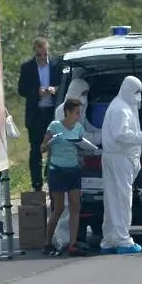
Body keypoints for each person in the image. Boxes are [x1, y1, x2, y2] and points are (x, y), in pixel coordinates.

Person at [99, 76, 142, 255]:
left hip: (117, 158)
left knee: (113, 200)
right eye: (136, 91)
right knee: (122, 200)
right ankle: (123, 239)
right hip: (120, 158)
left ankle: (110, 239)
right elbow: (121, 135)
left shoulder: (123, 105)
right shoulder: (121, 109)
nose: (139, 96)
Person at [51, 78, 101, 252]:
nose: (85, 97)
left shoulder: (80, 109)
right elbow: (79, 136)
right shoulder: (62, 111)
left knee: (73, 205)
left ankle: (70, 240)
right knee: (63, 206)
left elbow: (87, 129)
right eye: (83, 94)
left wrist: (102, 133)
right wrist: (99, 141)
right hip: (62, 165)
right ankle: (60, 240)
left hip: (73, 164)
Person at [40, 98, 86, 257]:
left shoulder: (79, 128)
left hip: (73, 169)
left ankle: (72, 244)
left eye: (80, 112)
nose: (79, 116)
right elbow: (42, 148)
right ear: (67, 112)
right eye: (77, 112)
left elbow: (80, 149)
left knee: (75, 206)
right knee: (58, 208)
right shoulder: (54, 126)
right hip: (57, 170)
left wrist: (85, 150)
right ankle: (47, 242)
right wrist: (50, 142)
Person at [18, 36, 62, 191]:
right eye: (39, 55)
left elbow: (62, 84)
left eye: (45, 54)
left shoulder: (56, 65)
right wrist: (37, 92)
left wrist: (54, 90)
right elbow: (21, 90)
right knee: (36, 149)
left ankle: (50, 177)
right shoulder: (27, 67)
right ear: (35, 53)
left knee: (54, 146)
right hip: (36, 114)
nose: (43, 57)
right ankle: (36, 183)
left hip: (52, 113)